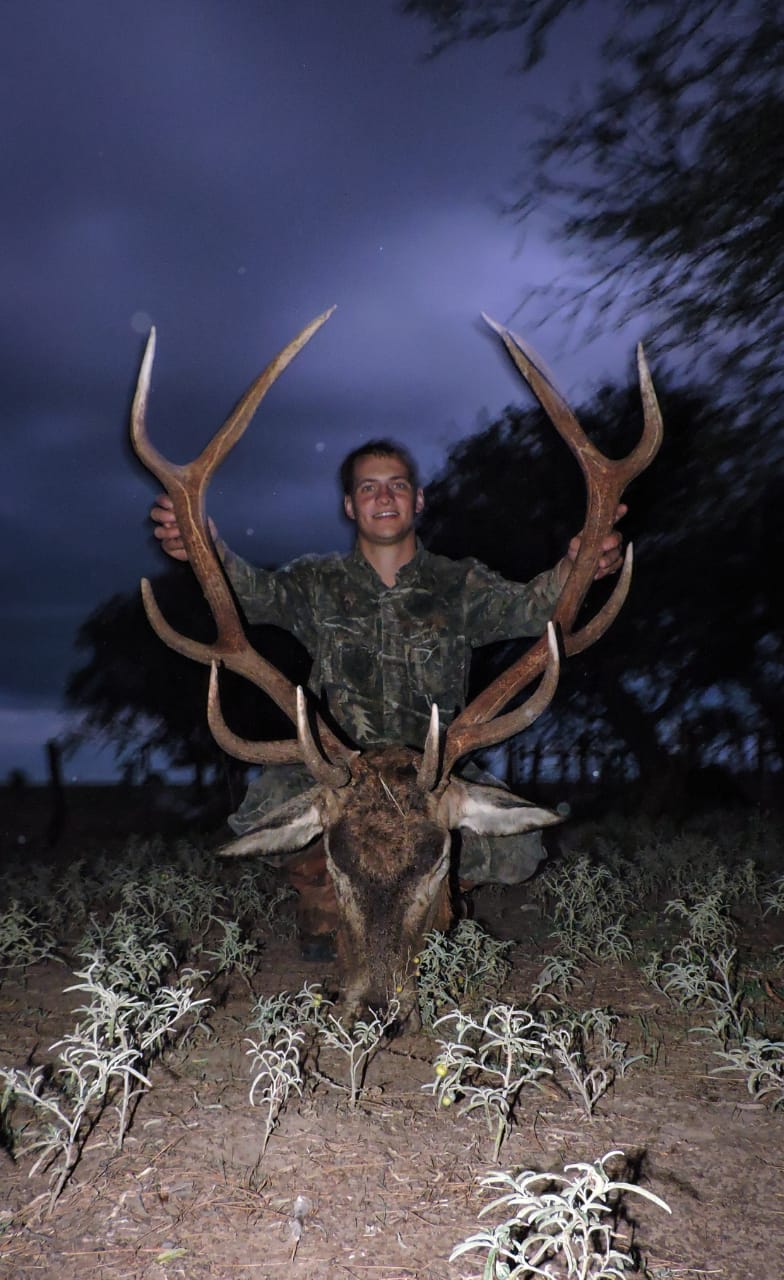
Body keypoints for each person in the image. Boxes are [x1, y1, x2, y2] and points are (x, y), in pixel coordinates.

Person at [151, 439, 625, 954]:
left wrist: (575, 567)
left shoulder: (459, 584)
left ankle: (436, 896)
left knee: (519, 849)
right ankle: (328, 895)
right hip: (343, 774)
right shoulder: (315, 582)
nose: (385, 496)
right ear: (350, 505)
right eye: (368, 487)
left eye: (397, 485)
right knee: (257, 814)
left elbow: (534, 609)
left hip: (430, 774)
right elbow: (251, 593)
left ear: (417, 500)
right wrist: (206, 547)